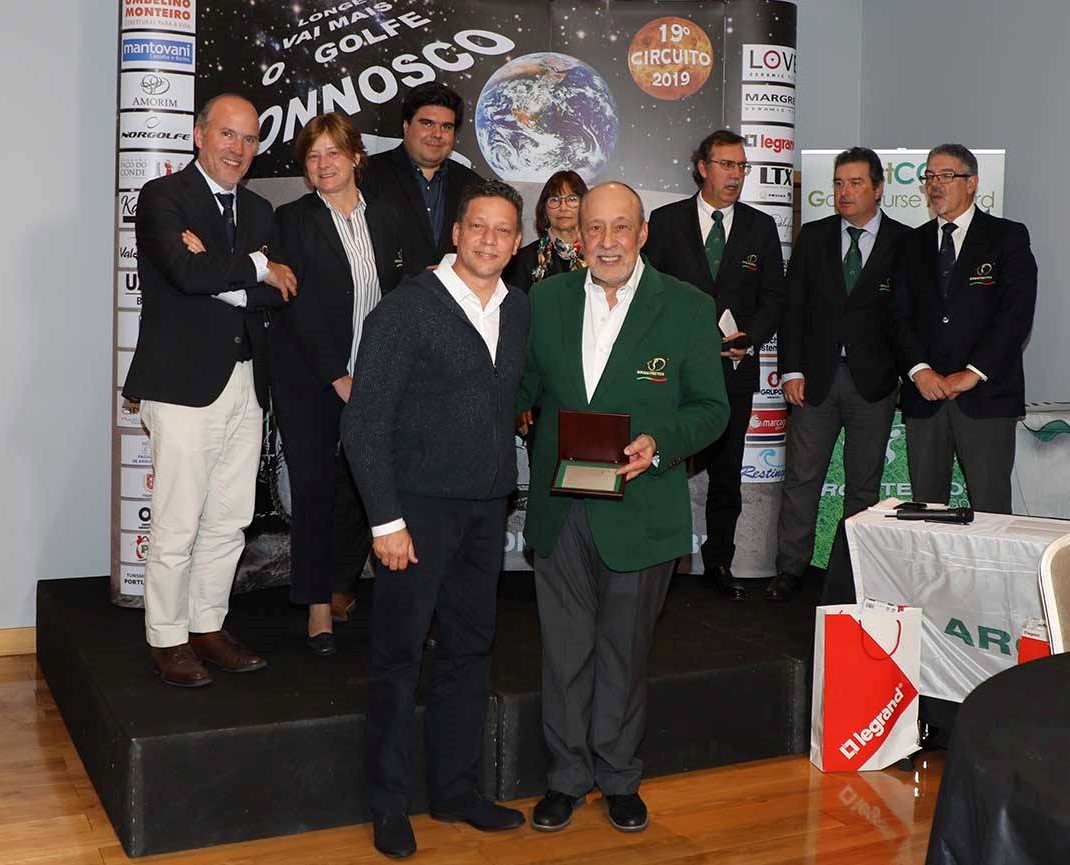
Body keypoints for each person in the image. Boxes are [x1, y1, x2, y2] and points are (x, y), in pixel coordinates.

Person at [518, 183, 728, 834]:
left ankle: (617, 776)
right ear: (577, 235)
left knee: (624, 653)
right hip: (561, 509)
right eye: (594, 228)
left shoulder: (688, 306)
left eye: (620, 227)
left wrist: (660, 443)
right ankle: (565, 777)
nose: (606, 241)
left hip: (642, 509)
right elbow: (521, 389)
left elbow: (711, 409)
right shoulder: (544, 300)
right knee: (564, 653)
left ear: (642, 234)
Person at [342, 180, 530, 858]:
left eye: (502, 230)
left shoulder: (519, 309)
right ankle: (389, 805)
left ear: (517, 242)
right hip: (415, 514)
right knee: (397, 659)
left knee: (468, 652)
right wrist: (385, 521)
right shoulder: (406, 310)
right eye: (477, 226)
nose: (488, 239)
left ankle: (456, 790)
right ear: (456, 233)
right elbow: (364, 424)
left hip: (485, 509)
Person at [122, 93, 297, 687]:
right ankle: (167, 637)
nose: (238, 149)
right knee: (178, 520)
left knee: (230, 518)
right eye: (227, 134)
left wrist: (225, 272)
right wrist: (254, 266)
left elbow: (281, 291)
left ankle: (207, 625)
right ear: (199, 135)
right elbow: (184, 273)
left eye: (249, 139)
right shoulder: (163, 196)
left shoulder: (260, 209)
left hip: (247, 382)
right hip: (181, 384)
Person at [270, 113, 402, 655]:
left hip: (377, 379)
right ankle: (317, 605)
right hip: (311, 380)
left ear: (355, 157)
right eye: (312, 156)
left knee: (375, 488)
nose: (322, 164)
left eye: (332, 152)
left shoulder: (388, 217)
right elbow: (295, 305)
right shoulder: (291, 220)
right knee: (315, 489)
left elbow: (404, 294)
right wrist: (337, 376)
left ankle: (374, 594)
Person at [643, 130, 785, 601]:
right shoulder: (665, 221)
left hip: (734, 371)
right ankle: (656, 560)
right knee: (660, 462)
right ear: (703, 167)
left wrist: (751, 338)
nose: (736, 175)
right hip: (671, 374)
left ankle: (719, 561)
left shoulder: (761, 226)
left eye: (742, 166)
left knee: (726, 474)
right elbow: (649, 295)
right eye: (727, 165)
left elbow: (774, 298)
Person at [769, 147, 910, 604]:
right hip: (815, 380)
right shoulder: (814, 236)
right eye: (838, 183)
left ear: (878, 188)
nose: (844, 192)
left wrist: (905, 373)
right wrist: (790, 369)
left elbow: (908, 318)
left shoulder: (905, 242)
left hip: (875, 384)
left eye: (855, 183)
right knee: (801, 477)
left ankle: (848, 578)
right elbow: (793, 309)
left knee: (863, 487)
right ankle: (789, 569)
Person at [892, 143, 1037, 514]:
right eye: (929, 177)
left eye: (946, 175)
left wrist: (973, 372)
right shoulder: (910, 243)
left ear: (971, 183)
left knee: (990, 511)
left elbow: (1016, 316)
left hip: (986, 397)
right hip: (925, 397)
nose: (935, 184)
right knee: (926, 511)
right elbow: (897, 316)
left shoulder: (1006, 237)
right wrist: (919, 371)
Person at [360, 81, 481, 275]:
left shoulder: (473, 185)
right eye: (427, 123)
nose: (437, 134)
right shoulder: (366, 175)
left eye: (446, 127)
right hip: (387, 292)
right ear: (406, 125)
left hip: (453, 293)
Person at [504, 170, 588, 291]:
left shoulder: (598, 255)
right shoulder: (522, 260)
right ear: (544, 210)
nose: (563, 207)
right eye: (554, 200)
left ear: (586, 206)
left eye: (572, 199)